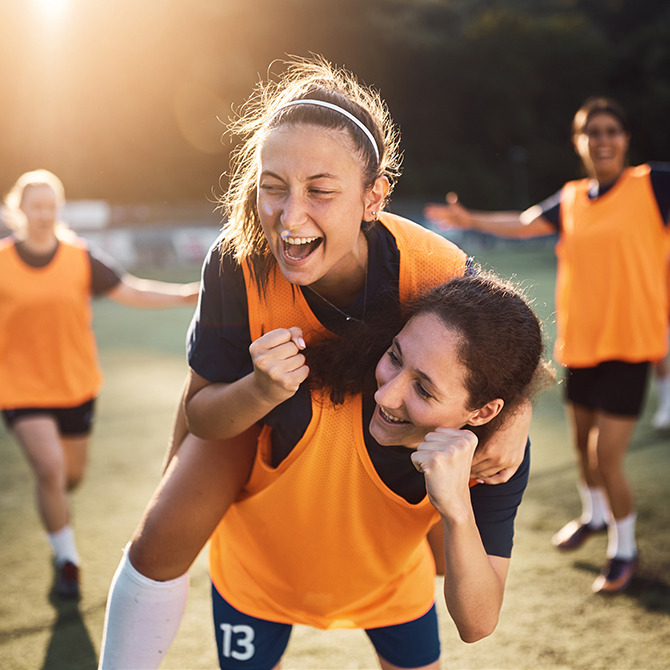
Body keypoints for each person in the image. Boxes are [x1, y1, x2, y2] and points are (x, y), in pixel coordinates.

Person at [98, 56, 534, 669]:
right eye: (271, 187)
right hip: (269, 420)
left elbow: (499, 348)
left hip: (391, 452)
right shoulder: (239, 258)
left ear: (373, 197)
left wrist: (515, 416)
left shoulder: (433, 268)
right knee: (162, 534)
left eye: (321, 191)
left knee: (458, 522)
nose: (288, 216)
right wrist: (255, 391)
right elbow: (202, 410)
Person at [203, 273, 546, 669]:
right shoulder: (309, 389)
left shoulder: (493, 459)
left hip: (391, 588)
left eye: (424, 390)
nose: (387, 393)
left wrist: (456, 508)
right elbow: (205, 420)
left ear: (483, 412)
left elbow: (478, 623)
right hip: (254, 579)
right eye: (395, 357)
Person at [424, 97, 670, 593]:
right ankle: (594, 516)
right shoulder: (573, 198)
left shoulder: (653, 185)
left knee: (606, 457)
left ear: (624, 139)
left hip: (629, 345)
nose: (602, 140)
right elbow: (523, 222)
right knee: (582, 447)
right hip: (581, 345)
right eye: (591, 132)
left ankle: (624, 549)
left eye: (611, 131)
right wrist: (468, 217)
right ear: (579, 143)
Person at [0, 169, 200, 600]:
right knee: (50, 468)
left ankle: (55, 508)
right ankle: (67, 561)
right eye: (35, 206)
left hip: (75, 385)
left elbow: (129, 290)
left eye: (50, 206)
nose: (43, 214)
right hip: (18, 387)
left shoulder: (80, 257)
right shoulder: (2, 262)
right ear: (19, 210)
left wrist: (184, 295)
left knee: (69, 476)